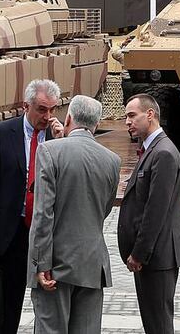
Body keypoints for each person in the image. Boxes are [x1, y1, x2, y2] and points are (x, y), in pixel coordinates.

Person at [0, 79, 65, 334]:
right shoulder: (3, 133)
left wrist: (61, 142)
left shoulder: (57, 136)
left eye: (52, 110)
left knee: (49, 300)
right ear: (26, 105)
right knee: (8, 304)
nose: (47, 116)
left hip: (47, 233)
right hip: (12, 231)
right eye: (41, 109)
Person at [28, 95, 121, 334]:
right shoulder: (112, 160)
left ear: (68, 118)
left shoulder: (49, 151)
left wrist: (40, 263)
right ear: (96, 124)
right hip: (92, 263)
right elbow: (104, 208)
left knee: (50, 328)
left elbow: (43, 214)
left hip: (56, 264)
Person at [118, 93, 180, 334]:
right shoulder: (151, 150)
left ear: (150, 115)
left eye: (131, 115)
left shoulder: (163, 153)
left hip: (157, 258)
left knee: (158, 325)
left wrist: (138, 254)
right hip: (152, 258)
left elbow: (155, 211)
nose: (127, 122)